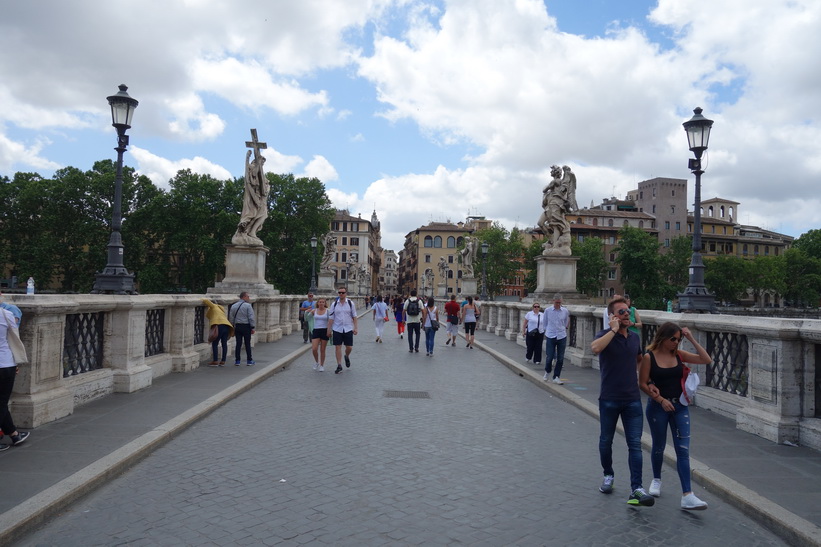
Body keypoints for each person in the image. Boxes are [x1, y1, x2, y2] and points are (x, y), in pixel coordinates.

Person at [590, 295, 657, 507]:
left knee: (635, 445)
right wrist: (612, 330)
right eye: (622, 312)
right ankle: (608, 474)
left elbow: (639, 360)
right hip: (609, 398)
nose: (627, 314)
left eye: (628, 311)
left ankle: (636, 488)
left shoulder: (635, 338)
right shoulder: (605, 335)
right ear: (612, 317)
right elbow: (595, 348)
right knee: (605, 441)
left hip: (632, 399)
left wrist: (648, 381)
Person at [639, 322, 711, 510]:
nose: (676, 343)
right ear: (662, 337)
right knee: (659, 445)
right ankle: (656, 479)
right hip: (658, 407)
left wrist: (691, 338)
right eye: (673, 339)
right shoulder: (649, 357)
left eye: (678, 339)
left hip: (680, 407)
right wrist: (661, 400)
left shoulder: (678, 355)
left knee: (683, 450)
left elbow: (706, 359)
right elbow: (643, 383)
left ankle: (687, 495)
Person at [0, 305, 29, 451]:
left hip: (6, 364)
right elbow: (14, 340)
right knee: (2, 402)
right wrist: (15, 362)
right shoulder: (6, 314)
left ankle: (14, 434)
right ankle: (13, 434)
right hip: (5, 364)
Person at [327, 288, 358, 374]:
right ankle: (339, 365)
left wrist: (355, 328)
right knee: (337, 347)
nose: (341, 294)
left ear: (346, 293)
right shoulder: (334, 304)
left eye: (342, 292)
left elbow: (354, 317)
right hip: (337, 328)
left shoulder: (350, 304)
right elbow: (331, 318)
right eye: (339, 292)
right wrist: (328, 330)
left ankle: (346, 355)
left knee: (349, 347)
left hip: (348, 328)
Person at [544, 293, 570, 384]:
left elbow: (566, 321)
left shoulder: (565, 311)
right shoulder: (548, 310)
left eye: (559, 303)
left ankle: (556, 376)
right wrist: (547, 331)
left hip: (561, 335)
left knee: (560, 358)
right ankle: (547, 371)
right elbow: (545, 322)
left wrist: (564, 329)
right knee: (549, 356)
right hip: (551, 335)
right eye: (556, 302)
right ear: (553, 301)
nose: (558, 304)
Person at [201, 298, 235, 366]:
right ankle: (223, 361)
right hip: (226, 326)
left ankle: (215, 360)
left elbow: (207, 301)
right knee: (224, 343)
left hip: (219, 326)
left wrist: (201, 299)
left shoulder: (214, 306)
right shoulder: (220, 309)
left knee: (215, 343)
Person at [228, 292, 256, 366]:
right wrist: (252, 327)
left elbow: (231, 317)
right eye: (248, 296)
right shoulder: (248, 306)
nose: (249, 298)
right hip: (246, 326)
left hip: (237, 326)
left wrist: (233, 325)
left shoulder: (233, 306)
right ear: (244, 297)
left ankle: (237, 360)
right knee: (247, 344)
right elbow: (251, 317)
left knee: (238, 343)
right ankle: (249, 360)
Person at [309, 298, 330, 372]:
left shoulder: (328, 311)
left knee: (322, 349)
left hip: (324, 330)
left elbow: (331, 321)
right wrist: (307, 312)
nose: (321, 303)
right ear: (317, 303)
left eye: (323, 302)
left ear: (325, 303)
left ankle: (322, 365)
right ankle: (317, 362)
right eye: (320, 302)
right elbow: (307, 318)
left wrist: (330, 330)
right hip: (316, 330)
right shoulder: (314, 311)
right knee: (314, 349)